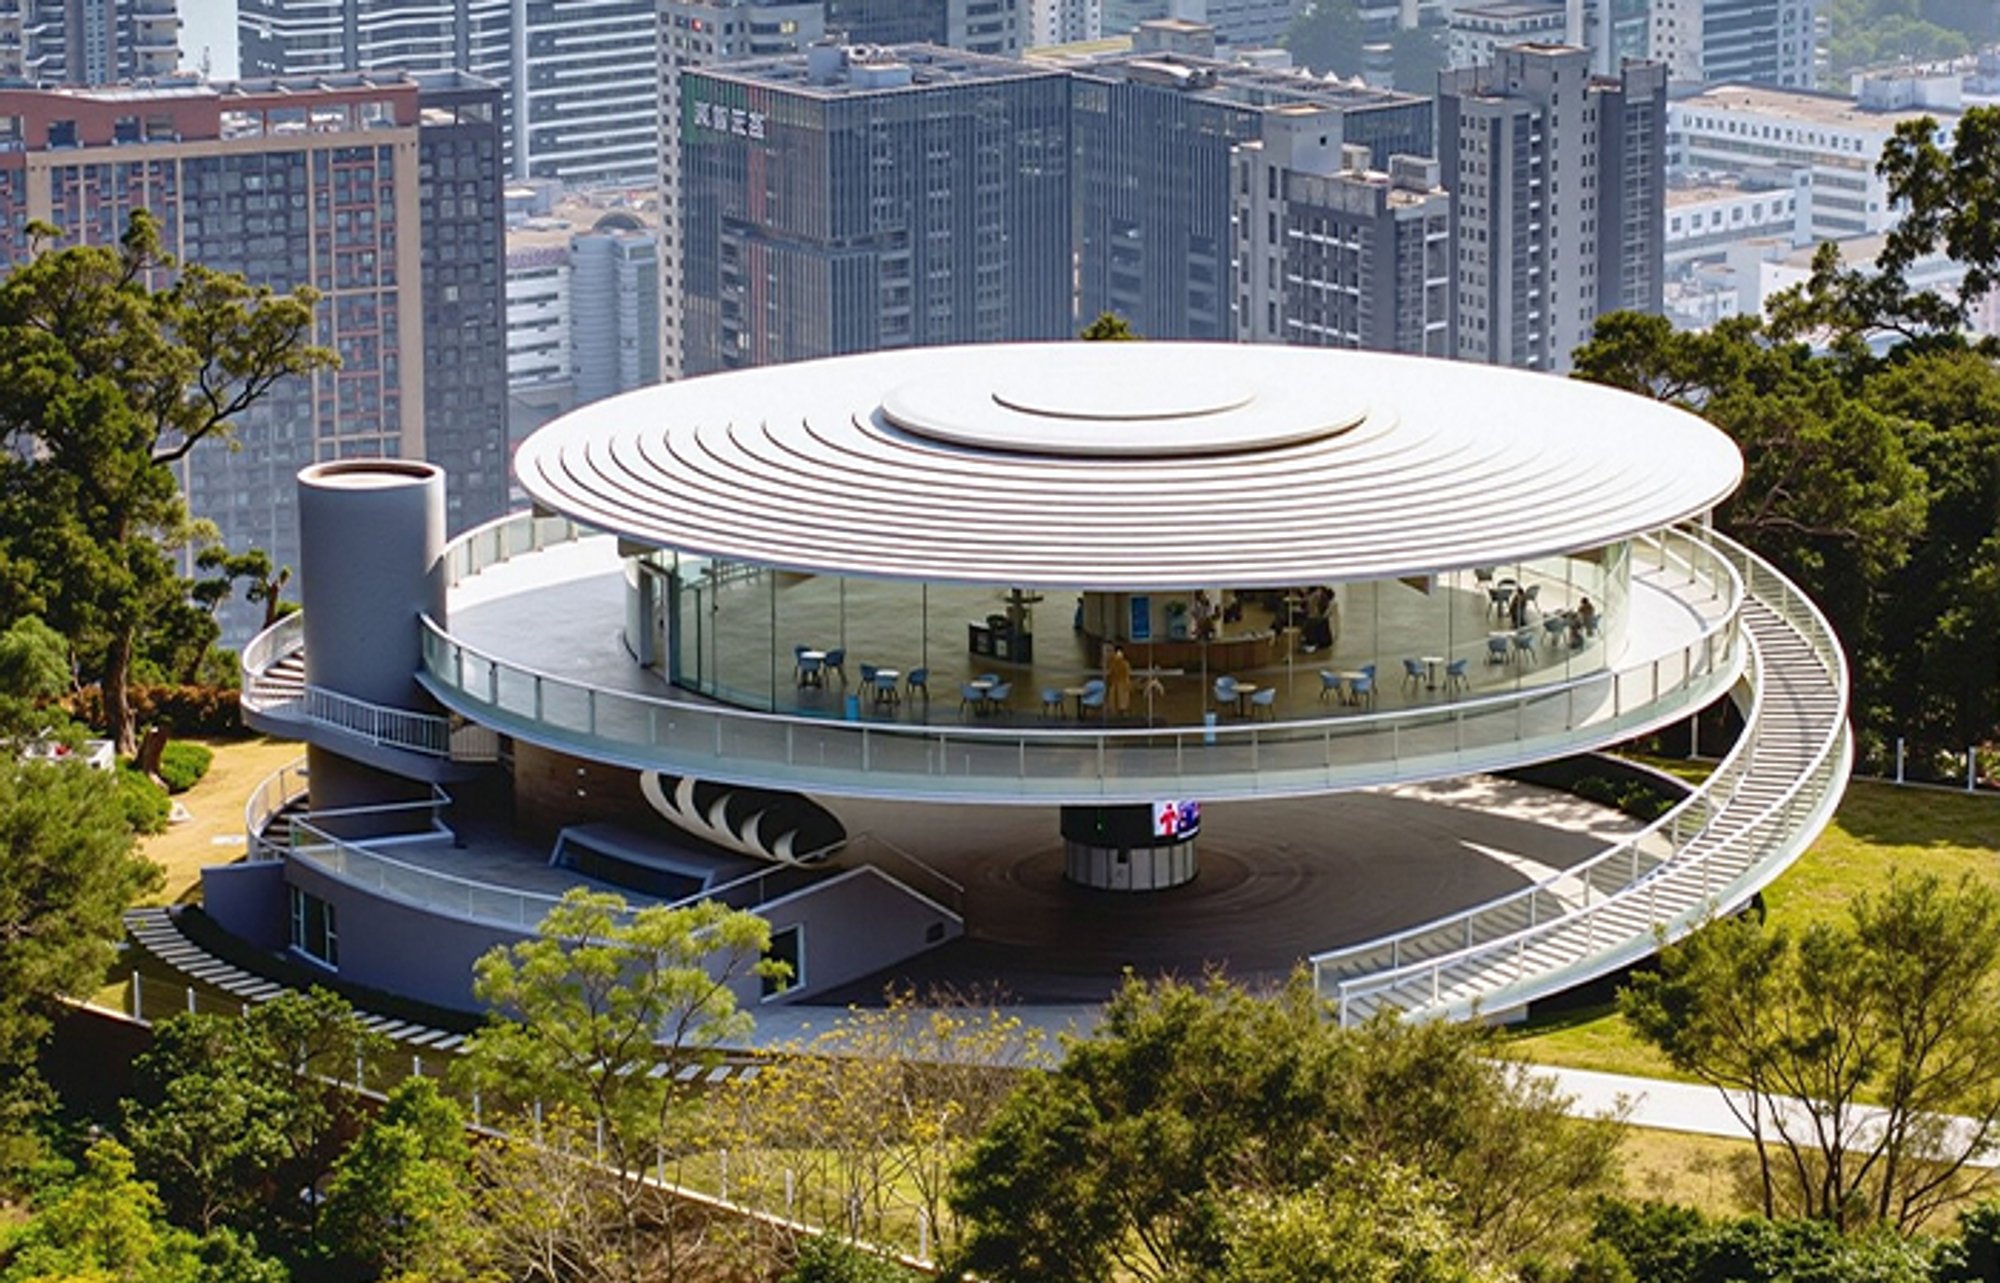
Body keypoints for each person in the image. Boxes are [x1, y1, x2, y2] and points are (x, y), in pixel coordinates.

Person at [1106, 646, 1133, 716]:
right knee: (1119, 704)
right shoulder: (1122, 663)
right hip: (1119, 685)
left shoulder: (1114, 662)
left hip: (1120, 684)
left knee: (1119, 704)